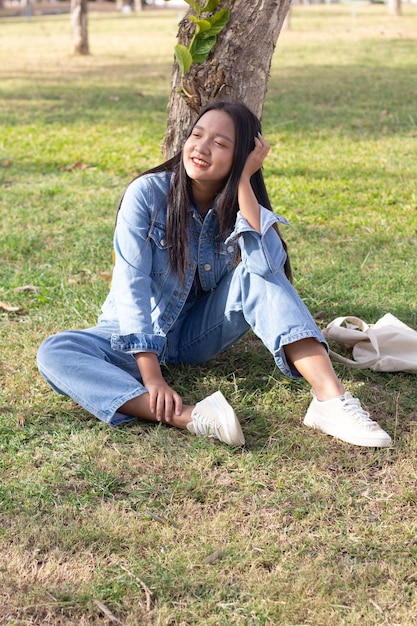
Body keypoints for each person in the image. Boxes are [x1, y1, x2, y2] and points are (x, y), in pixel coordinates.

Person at [37, 101, 391, 448]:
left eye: (220, 144)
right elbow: (131, 287)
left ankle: (330, 401)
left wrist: (243, 180)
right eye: (197, 135)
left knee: (255, 271)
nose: (201, 148)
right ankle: (190, 417)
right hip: (130, 335)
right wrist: (152, 377)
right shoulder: (147, 194)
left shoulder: (241, 200)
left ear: (242, 158)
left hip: (194, 335)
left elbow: (268, 269)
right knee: (56, 351)